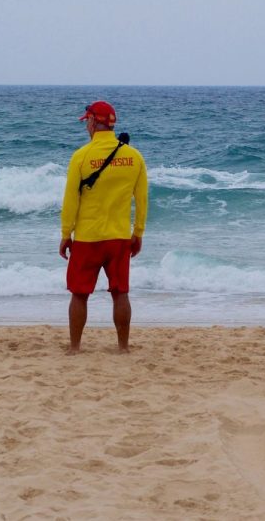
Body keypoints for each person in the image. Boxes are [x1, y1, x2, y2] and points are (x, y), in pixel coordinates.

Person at [59, 100, 148, 354]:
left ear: (93, 122)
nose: (85, 125)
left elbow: (70, 200)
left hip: (88, 237)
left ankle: (75, 347)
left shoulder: (81, 156)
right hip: (119, 237)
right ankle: (123, 347)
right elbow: (141, 200)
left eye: (86, 121)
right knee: (120, 293)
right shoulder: (134, 157)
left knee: (79, 294)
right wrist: (138, 233)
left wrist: (66, 234)